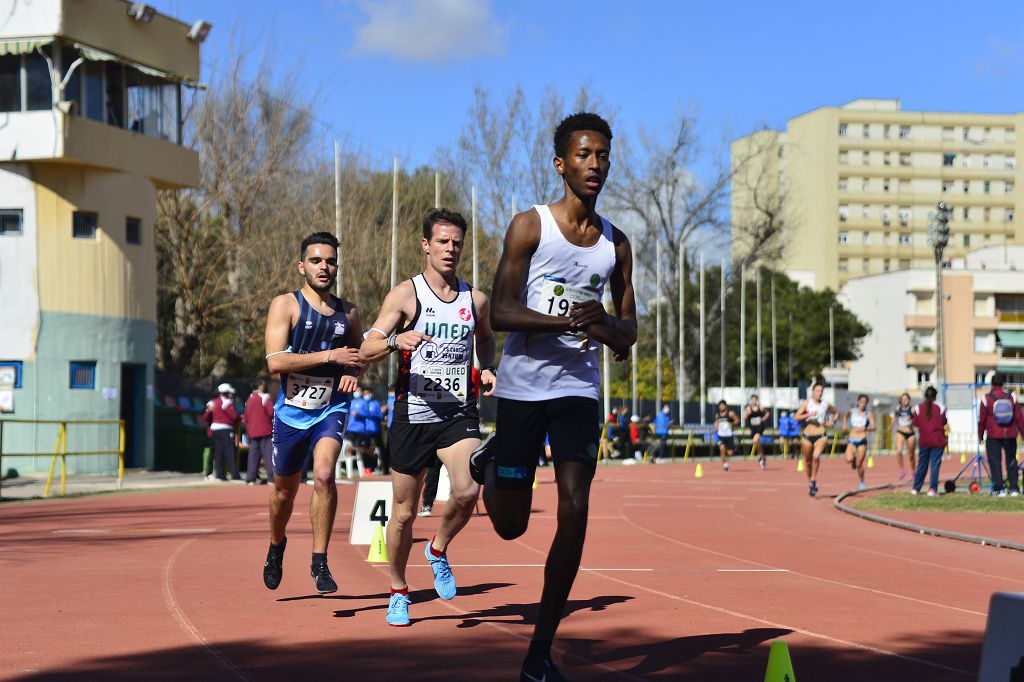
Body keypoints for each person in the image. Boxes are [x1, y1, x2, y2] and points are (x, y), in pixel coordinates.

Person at [470, 111, 637, 681]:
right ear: (561, 163)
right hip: (522, 389)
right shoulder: (530, 227)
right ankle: (492, 461)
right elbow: (502, 311)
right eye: (585, 155)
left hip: (577, 393)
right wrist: (563, 321)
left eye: (604, 156)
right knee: (511, 525)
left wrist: (604, 327)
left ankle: (539, 652)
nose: (596, 165)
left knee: (575, 509)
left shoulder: (616, 244)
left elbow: (629, 332)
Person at [359, 207, 497, 627]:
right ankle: (399, 589)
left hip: (457, 411)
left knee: (468, 491)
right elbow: (367, 349)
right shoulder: (406, 295)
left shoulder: (475, 300)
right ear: (425, 245)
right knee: (402, 513)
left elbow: (487, 338)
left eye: (457, 243)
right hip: (412, 413)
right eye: (442, 241)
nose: (451, 249)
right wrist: (397, 339)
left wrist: (488, 366)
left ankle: (436, 549)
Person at [261, 231, 363, 594]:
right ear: (301, 266)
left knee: (323, 475)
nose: (325, 267)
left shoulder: (348, 312)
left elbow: (358, 355)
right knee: (284, 493)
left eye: (331, 261)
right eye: (317, 261)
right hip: (290, 412)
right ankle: (277, 546)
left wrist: (351, 371)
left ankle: (320, 561)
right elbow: (275, 362)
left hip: (330, 408)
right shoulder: (285, 305)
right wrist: (328, 357)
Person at [978, 373, 1021, 497]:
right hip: (1010, 433)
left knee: (995, 462)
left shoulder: (986, 398)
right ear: (1003, 383)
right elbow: (1019, 417)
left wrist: (980, 435)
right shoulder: (1012, 395)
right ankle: (1014, 488)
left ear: (992, 383)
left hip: (993, 434)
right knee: (1012, 460)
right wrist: (1023, 434)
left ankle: (999, 489)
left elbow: (982, 420)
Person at [795, 382, 839, 497]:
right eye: (818, 391)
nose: (820, 393)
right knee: (808, 462)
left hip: (821, 435)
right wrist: (808, 414)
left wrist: (832, 422)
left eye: (821, 391)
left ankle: (813, 479)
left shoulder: (825, 404)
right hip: (807, 435)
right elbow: (796, 417)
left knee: (816, 456)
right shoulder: (806, 403)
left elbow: (837, 413)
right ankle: (810, 482)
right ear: (813, 392)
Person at [911, 386, 948, 496]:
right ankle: (932, 489)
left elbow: (915, 423)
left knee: (922, 464)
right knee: (935, 465)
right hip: (937, 439)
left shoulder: (917, 408)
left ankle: (915, 489)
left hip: (924, 440)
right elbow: (944, 422)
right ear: (935, 396)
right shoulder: (941, 407)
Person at [204, 383, 240, 481]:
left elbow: (206, 417)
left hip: (214, 430)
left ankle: (219, 475)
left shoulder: (212, 402)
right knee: (230, 452)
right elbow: (234, 416)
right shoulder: (227, 402)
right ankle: (234, 475)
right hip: (225, 429)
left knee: (218, 453)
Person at [243, 378, 275, 485]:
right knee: (268, 455)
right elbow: (271, 413)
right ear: (260, 386)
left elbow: (246, 417)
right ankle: (271, 479)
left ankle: (250, 478)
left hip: (252, 432)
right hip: (265, 430)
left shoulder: (249, 398)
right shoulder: (265, 397)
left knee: (253, 457)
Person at [842, 394, 876, 491]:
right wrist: (844, 427)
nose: (862, 404)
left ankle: (861, 482)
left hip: (862, 440)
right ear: (858, 401)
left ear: (866, 403)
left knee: (859, 465)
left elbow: (874, 427)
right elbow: (845, 417)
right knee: (848, 459)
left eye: (865, 402)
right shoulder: (852, 411)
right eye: (861, 402)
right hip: (852, 439)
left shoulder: (868, 414)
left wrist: (865, 428)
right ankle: (853, 459)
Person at [892, 393, 917, 481]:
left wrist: (912, 421)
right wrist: (891, 426)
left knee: (911, 456)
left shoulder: (912, 409)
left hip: (910, 433)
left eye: (906, 399)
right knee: (898, 451)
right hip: (900, 432)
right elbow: (894, 416)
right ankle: (902, 470)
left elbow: (917, 420)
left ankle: (913, 472)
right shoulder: (898, 408)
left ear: (909, 400)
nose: (904, 401)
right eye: (902, 399)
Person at [743, 394, 770, 470]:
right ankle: (762, 456)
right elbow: (745, 418)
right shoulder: (748, 408)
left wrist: (764, 418)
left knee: (756, 440)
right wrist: (747, 414)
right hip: (753, 428)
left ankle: (761, 458)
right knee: (757, 443)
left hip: (759, 428)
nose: (753, 401)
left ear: (756, 400)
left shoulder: (760, 407)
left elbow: (767, 413)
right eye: (752, 399)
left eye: (755, 399)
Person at [362, 388, 385, 474]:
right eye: (364, 393)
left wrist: (370, 414)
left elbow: (380, 416)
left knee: (380, 448)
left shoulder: (375, 403)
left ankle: (383, 468)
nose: (366, 395)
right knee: (365, 449)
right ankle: (368, 467)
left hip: (375, 430)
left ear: (371, 393)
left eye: (367, 393)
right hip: (365, 431)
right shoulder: (362, 403)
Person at [714, 400, 740, 471]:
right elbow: (716, 423)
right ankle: (725, 465)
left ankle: (734, 448)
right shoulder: (717, 415)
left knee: (730, 453)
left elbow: (737, 420)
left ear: (725, 406)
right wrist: (716, 427)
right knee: (722, 449)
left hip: (729, 435)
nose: (721, 407)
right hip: (721, 435)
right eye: (720, 406)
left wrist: (732, 424)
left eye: (722, 405)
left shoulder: (730, 413)